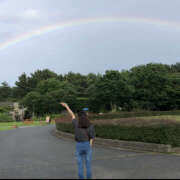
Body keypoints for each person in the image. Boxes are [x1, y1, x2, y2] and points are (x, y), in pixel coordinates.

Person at [60, 102, 95, 179]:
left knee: (80, 165)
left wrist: (67, 106)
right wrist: (90, 146)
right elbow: (92, 137)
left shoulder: (76, 123)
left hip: (79, 145)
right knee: (88, 164)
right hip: (87, 145)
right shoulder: (90, 125)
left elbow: (72, 115)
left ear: (78, 116)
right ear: (86, 116)